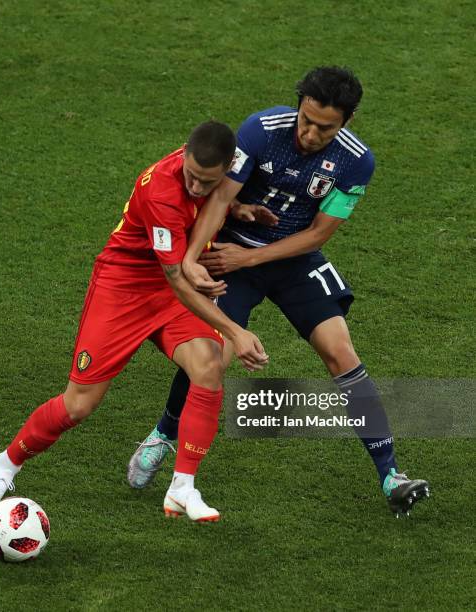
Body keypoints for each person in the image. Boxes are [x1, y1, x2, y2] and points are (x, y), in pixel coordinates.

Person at [128, 67, 429, 517]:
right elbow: (218, 199)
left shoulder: (357, 161)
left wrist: (247, 260)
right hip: (232, 249)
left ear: (346, 120)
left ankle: (391, 475)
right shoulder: (261, 130)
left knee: (340, 352)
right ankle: (164, 434)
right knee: (212, 356)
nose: (309, 133)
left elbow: (317, 236)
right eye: (305, 119)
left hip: (288, 259)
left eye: (323, 127)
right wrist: (193, 256)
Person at [0, 121, 269, 523]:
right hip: (125, 286)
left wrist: (236, 207)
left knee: (209, 366)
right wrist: (235, 330)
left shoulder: (229, 172)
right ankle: (6, 464)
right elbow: (178, 280)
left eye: (208, 182)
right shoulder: (161, 190)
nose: (198, 187)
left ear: (227, 167)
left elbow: (206, 213)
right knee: (78, 405)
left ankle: (183, 487)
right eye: (192, 178)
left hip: (170, 288)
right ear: (183, 154)